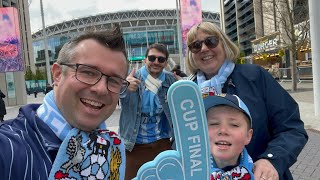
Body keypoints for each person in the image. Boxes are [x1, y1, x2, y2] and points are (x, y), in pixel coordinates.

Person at [0, 26, 129, 179]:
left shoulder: (111, 149)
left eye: (114, 81)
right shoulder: (8, 148)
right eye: (88, 72)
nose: (101, 89)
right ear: (58, 75)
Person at [186, 22, 308, 180]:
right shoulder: (186, 91)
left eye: (211, 41)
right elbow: (179, 139)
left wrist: (271, 160)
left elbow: (291, 128)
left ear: (224, 44)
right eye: (195, 45)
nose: (203, 48)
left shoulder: (255, 76)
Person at [119, 43, 177, 180]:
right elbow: (115, 94)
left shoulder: (169, 79)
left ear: (166, 63)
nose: (156, 62)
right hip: (134, 146)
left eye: (161, 59)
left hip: (162, 143)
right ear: (145, 60)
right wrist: (124, 87)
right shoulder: (132, 79)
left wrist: (184, 85)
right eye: (152, 58)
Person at [204, 94, 254, 180]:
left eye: (234, 125)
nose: (223, 130)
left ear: (248, 136)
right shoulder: (186, 174)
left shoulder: (260, 175)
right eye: (214, 123)